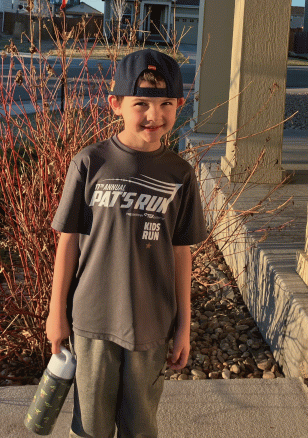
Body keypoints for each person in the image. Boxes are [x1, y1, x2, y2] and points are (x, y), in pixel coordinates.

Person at [46, 48, 208, 438]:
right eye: (141, 104)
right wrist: (57, 313)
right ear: (115, 104)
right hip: (92, 320)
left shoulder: (180, 173)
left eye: (166, 103)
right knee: (91, 427)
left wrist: (184, 325)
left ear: (180, 104)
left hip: (152, 323)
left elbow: (181, 251)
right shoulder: (90, 163)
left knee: (141, 426)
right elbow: (68, 242)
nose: (155, 116)